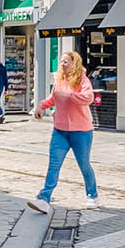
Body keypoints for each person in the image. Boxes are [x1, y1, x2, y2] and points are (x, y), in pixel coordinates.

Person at [30, 51, 99, 212]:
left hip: (81, 131)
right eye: (61, 61)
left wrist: (71, 96)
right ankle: (44, 198)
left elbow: (89, 98)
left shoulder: (82, 80)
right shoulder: (60, 81)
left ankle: (92, 195)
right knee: (54, 165)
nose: (62, 64)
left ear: (74, 63)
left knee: (84, 165)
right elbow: (53, 98)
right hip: (60, 131)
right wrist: (41, 106)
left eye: (66, 61)